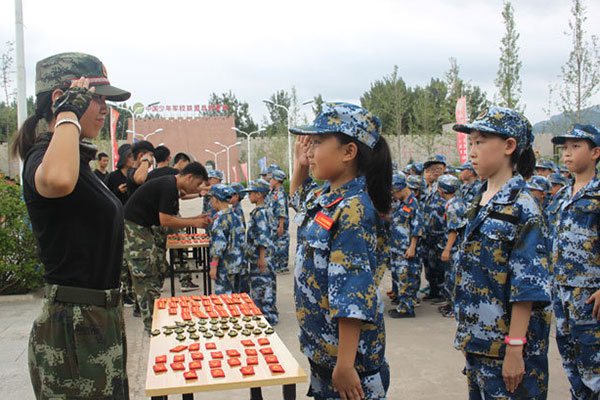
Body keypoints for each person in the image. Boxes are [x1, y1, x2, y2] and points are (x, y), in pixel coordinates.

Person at [12, 52, 130, 399]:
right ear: (59, 99)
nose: (104, 108)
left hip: (97, 318)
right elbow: (58, 181)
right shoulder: (42, 157)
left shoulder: (79, 161)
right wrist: (68, 113)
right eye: (94, 98)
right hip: (74, 325)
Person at [289, 102, 392, 399]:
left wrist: (346, 365)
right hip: (324, 353)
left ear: (348, 152)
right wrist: (301, 165)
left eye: (318, 142)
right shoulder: (329, 196)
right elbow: (298, 198)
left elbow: (353, 294)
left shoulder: (354, 209)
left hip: (350, 363)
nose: (310, 150)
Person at [453, 106, 552, 399]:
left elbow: (528, 287)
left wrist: (515, 347)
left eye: (480, 142)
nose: (472, 151)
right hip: (478, 341)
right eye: (470, 142)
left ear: (509, 146)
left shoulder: (522, 208)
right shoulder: (477, 198)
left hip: (508, 347)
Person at [123, 162, 210, 335]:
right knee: (145, 275)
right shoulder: (169, 186)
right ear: (189, 177)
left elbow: (169, 219)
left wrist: (195, 218)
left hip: (144, 228)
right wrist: (194, 222)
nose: (196, 188)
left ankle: (153, 319)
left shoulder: (171, 185)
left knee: (155, 270)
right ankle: (151, 326)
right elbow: (166, 221)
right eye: (197, 184)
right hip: (135, 228)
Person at [550, 124, 600, 400]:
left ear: (595, 153)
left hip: (590, 297)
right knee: (572, 366)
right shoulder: (560, 196)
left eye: (576, 147)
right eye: (565, 148)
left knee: (595, 368)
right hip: (562, 295)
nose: (567, 154)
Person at [242, 179, 279, 325]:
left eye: (251, 193)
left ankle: (267, 316)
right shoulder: (263, 211)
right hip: (261, 255)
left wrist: (262, 257)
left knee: (262, 287)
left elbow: (262, 236)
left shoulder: (260, 213)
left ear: (259, 195)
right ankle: (266, 314)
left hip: (261, 256)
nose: (249, 196)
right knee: (264, 285)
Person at [388, 172, 423, 319]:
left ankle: (406, 309)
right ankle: (402, 303)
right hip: (398, 248)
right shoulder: (402, 203)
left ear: (401, 188)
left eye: (394, 192)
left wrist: (412, 247)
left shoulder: (413, 204)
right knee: (399, 277)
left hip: (407, 249)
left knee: (407, 278)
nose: (394, 195)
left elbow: (417, 229)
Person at [208, 184, 246, 294]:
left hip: (225, 266)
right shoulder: (235, 216)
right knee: (235, 297)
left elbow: (219, 245)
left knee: (224, 299)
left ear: (215, 200)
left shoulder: (220, 220)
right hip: (237, 264)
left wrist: (214, 266)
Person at [437, 174, 465, 319]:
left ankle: (455, 308)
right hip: (455, 247)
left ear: (442, 191)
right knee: (450, 277)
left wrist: (447, 249)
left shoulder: (453, 207)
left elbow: (453, 230)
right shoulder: (457, 202)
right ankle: (450, 303)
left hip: (455, 249)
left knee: (454, 279)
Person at [422, 154, 449, 302]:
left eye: (438, 168)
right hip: (428, 234)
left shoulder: (448, 186)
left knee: (441, 266)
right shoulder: (427, 188)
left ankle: (443, 294)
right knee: (429, 264)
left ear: (444, 169)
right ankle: (433, 290)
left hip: (441, 234)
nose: (434, 172)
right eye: (431, 169)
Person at [267, 168, 290, 274]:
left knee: (281, 245)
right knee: (274, 245)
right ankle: (276, 265)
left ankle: (282, 266)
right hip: (272, 224)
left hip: (278, 224)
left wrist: (281, 226)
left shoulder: (280, 193)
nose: (270, 180)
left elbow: (282, 211)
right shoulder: (273, 192)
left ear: (276, 180)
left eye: (271, 178)